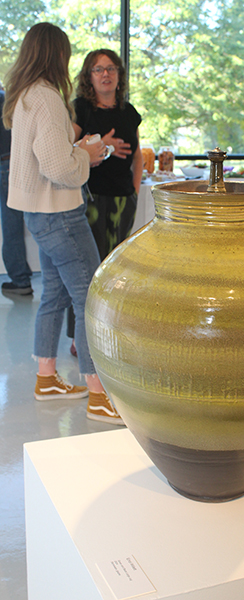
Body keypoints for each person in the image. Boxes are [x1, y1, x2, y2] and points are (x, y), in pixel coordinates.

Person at [2, 22, 124, 424]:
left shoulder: (25, 95)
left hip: (39, 213)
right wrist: (87, 154)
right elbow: (58, 168)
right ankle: (99, 395)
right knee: (89, 297)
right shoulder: (48, 98)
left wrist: (78, 150)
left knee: (54, 293)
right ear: (58, 54)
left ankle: (47, 378)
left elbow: (46, 156)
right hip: (60, 215)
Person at [66, 48, 143, 355]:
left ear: (119, 75)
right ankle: (79, 337)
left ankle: (108, 331)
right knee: (88, 271)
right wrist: (103, 145)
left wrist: (134, 192)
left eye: (111, 68)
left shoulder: (128, 112)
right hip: (91, 199)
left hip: (123, 200)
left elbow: (137, 156)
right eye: (98, 69)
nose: (106, 74)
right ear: (89, 76)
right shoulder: (81, 110)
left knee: (116, 271)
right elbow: (67, 149)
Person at [0, 86, 33, 295]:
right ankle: (21, 278)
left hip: (5, 164)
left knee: (11, 225)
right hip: (15, 162)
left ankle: (20, 279)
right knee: (16, 223)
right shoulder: (7, 98)